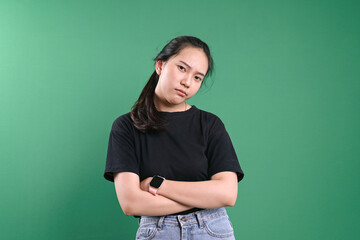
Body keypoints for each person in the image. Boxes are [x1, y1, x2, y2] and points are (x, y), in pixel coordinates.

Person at [104, 36, 244, 240]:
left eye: (198, 77)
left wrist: (158, 183)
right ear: (160, 65)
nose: (187, 82)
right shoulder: (126, 127)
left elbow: (228, 194)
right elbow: (131, 203)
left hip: (212, 231)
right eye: (182, 68)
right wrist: (205, 198)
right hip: (158, 232)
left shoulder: (210, 124)